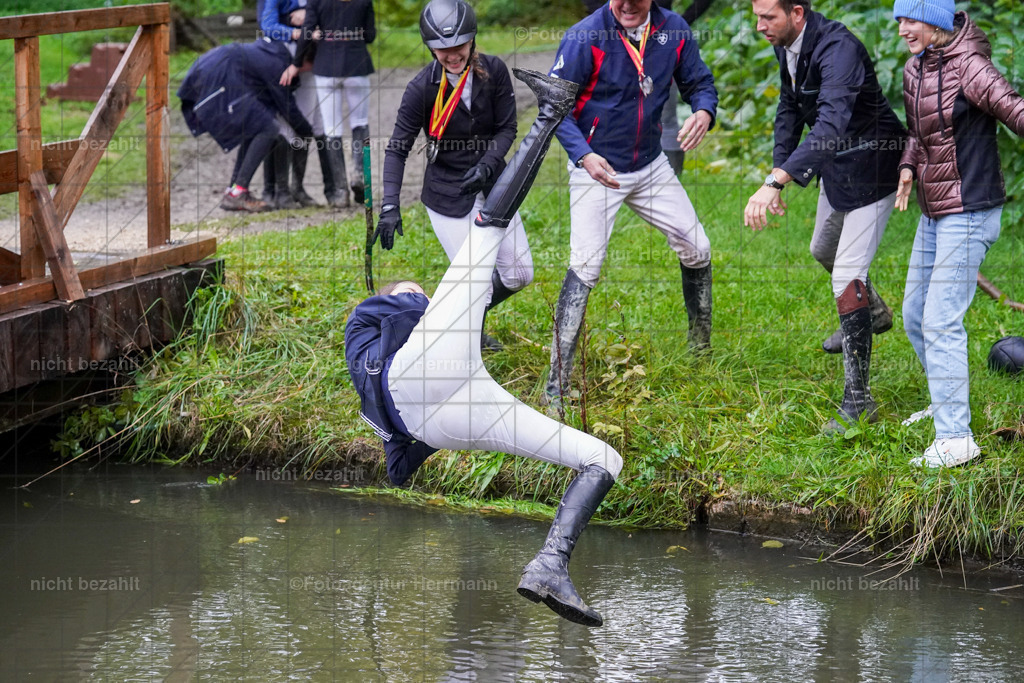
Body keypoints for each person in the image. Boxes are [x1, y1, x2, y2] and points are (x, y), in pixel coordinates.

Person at [346, 69, 623, 627]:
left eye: (419, 291)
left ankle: (550, 564)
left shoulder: (431, 327)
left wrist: (432, 312)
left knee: (602, 459)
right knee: (484, 233)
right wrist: (411, 301)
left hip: (451, 409)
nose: (419, 289)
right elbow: (374, 342)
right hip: (416, 383)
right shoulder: (372, 318)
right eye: (411, 289)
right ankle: (550, 111)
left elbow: (398, 471)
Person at [544, 0, 718, 410]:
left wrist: (705, 111)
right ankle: (556, 387)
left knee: (699, 249)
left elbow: (700, 82)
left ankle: (700, 348)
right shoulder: (584, 37)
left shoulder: (673, 29)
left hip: (649, 164)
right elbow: (554, 106)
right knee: (585, 265)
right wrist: (583, 155)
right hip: (596, 167)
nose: (626, 5)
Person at [743, 0, 907, 433]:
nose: (759, 26)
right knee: (823, 249)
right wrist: (778, 168)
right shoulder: (787, 43)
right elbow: (789, 111)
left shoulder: (839, 49)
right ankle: (872, 314)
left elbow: (831, 122)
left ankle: (859, 401)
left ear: (797, 12)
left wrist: (778, 181)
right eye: (756, 16)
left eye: (768, 17)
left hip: (874, 164)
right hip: (836, 168)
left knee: (847, 275)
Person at [892, 0, 1024, 467]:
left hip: (969, 210)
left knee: (941, 319)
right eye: (899, 20)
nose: (903, 28)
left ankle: (955, 439)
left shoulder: (972, 66)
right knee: (913, 314)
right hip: (934, 211)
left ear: (935, 20)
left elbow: (1016, 111)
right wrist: (908, 166)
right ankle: (943, 399)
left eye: (909, 19)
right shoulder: (917, 67)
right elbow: (917, 131)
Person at [376, 0, 532, 352]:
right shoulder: (421, 88)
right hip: (447, 193)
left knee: (519, 274)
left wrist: (489, 164)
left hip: (494, 185)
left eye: (459, 46)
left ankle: (454, 318)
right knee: (479, 285)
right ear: (430, 47)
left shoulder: (493, 71)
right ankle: (461, 337)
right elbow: (397, 148)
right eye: (442, 49)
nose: (452, 55)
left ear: (472, 39)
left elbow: (507, 127)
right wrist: (389, 205)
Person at [178, 35, 314, 213]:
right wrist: (308, 132)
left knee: (256, 126)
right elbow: (287, 106)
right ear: (304, 61)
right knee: (268, 128)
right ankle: (237, 194)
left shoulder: (273, 52)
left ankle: (234, 190)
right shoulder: (278, 64)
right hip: (218, 75)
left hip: (213, 68)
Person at [281, 0, 376, 208]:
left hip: (326, 68)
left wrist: (297, 63)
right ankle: (359, 174)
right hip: (356, 65)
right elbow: (370, 36)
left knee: (332, 129)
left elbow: (307, 32)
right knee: (360, 122)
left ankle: (340, 192)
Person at [259, 0, 337, 209]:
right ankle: (277, 190)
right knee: (283, 121)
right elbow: (268, 26)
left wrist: (310, 17)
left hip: (312, 59)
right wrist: (299, 33)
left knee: (307, 122)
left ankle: (297, 188)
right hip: (284, 59)